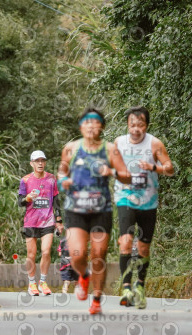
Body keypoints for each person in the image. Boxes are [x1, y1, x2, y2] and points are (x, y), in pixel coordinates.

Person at [57, 107, 131, 314]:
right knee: (77, 255)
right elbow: (62, 171)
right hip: (75, 209)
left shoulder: (110, 150)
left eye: (95, 122)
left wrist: (112, 171)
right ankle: (83, 275)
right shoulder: (71, 148)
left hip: (101, 209)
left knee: (98, 255)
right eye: (86, 122)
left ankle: (96, 300)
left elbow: (127, 176)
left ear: (102, 127)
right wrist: (63, 181)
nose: (90, 126)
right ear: (81, 127)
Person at [115, 106, 174, 310]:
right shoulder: (119, 143)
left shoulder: (155, 144)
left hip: (149, 201)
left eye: (140, 125)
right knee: (126, 241)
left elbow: (170, 169)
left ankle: (139, 286)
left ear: (146, 126)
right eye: (132, 124)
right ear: (127, 125)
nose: (136, 129)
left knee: (143, 247)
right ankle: (126, 289)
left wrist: (153, 167)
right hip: (125, 198)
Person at [18, 150, 63, 296]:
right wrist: (28, 198)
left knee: (46, 251)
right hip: (31, 221)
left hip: (47, 221)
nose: (40, 163)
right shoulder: (25, 180)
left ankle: (43, 282)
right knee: (31, 254)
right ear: (32, 163)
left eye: (42, 160)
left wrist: (59, 220)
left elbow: (56, 200)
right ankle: (32, 283)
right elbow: (20, 202)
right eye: (37, 161)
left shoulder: (51, 179)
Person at [57, 229, 77, 294]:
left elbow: (59, 253)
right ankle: (77, 292)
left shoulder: (62, 241)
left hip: (65, 263)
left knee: (66, 280)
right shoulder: (77, 240)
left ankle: (64, 291)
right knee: (77, 279)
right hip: (75, 263)